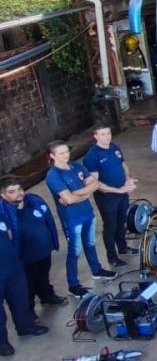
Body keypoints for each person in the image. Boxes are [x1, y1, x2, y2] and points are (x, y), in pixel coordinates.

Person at [45, 141, 118, 298]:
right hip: (71, 219)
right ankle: (73, 285)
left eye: (66, 152)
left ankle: (96, 270)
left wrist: (77, 194)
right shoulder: (53, 175)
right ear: (52, 156)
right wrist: (85, 193)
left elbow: (95, 183)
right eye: (61, 153)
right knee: (75, 252)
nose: (66, 155)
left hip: (87, 213)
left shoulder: (76, 166)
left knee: (90, 244)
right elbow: (69, 200)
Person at [1, 179, 65, 311]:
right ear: (3, 195)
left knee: (43, 276)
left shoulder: (34, 201)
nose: (18, 193)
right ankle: (30, 312)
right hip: (24, 257)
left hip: (43, 250)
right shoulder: (4, 213)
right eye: (12, 192)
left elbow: (49, 221)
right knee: (28, 285)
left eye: (19, 189)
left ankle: (47, 296)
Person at [82, 125, 137, 268]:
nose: (106, 136)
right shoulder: (92, 156)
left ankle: (123, 248)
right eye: (102, 134)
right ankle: (112, 257)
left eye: (108, 133)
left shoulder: (114, 147)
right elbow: (95, 183)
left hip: (122, 192)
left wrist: (127, 180)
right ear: (96, 137)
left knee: (121, 221)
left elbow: (123, 165)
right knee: (110, 226)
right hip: (107, 198)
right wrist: (117, 190)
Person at [0, 198, 49, 357]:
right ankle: (2, 343)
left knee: (20, 299)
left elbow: (9, 235)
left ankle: (25, 326)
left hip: (12, 267)